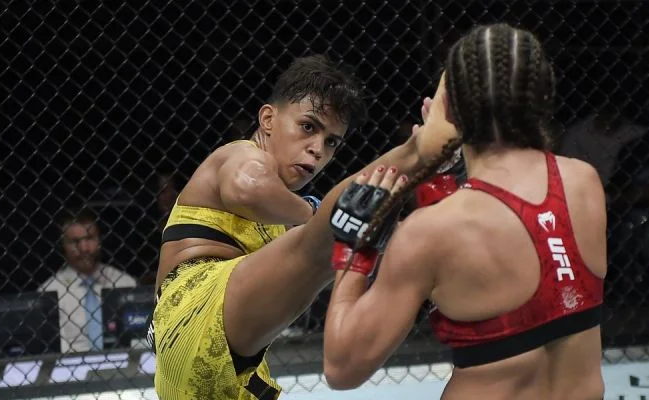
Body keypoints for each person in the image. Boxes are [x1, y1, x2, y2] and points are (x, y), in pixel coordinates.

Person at [322, 23, 607, 399]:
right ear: (542, 94)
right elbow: (517, 241)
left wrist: (355, 249)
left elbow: (342, 368)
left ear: (451, 109)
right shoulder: (583, 183)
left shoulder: (431, 232)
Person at [148, 54, 454, 400]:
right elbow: (247, 186)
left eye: (332, 141)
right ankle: (420, 148)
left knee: (348, 238)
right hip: (192, 314)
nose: (317, 149)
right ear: (268, 119)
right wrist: (316, 214)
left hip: (226, 372)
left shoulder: (282, 214)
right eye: (308, 127)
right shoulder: (243, 155)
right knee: (333, 231)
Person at [40, 207, 137, 353]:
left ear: (99, 241)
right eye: (75, 241)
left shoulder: (124, 283)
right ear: (63, 246)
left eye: (90, 238)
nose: (84, 248)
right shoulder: (49, 292)